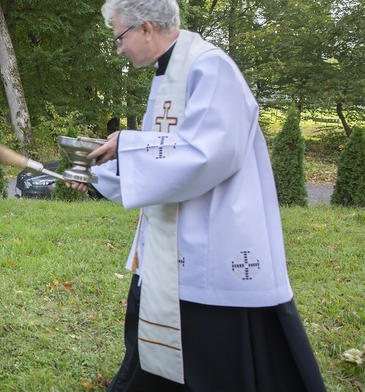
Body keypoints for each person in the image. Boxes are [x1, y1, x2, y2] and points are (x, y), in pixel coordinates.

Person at [66, 0, 327, 391]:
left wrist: (128, 145)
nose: (119, 48)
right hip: (171, 240)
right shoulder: (170, 73)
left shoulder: (210, 67)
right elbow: (165, 159)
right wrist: (101, 178)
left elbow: (205, 155)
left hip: (212, 238)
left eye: (120, 37)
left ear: (147, 28)